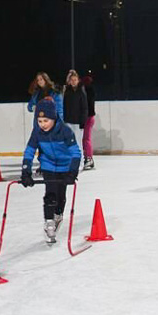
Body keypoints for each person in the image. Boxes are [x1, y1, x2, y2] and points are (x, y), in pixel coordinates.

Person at [20, 99, 82, 244]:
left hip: (64, 166)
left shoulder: (65, 131)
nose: (42, 124)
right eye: (39, 121)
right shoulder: (37, 132)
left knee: (61, 195)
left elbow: (76, 153)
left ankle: (58, 214)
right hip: (48, 165)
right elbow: (29, 151)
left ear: (53, 118)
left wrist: (72, 172)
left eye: (46, 120)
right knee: (51, 193)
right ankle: (49, 222)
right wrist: (25, 172)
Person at [62, 69, 88, 166]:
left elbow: (84, 108)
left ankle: (80, 162)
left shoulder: (81, 92)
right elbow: (64, 107)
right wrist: (64, 120)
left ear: (78, 80)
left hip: (78, 122)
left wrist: (83, 121)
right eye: (71, 80)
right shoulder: (67, 92)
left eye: (75, 80)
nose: (73, 82)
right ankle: (70, 161)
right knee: (69, 142)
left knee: (78, 142)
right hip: (68, 121)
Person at [81, 74, 96, 170]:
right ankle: (88, 157)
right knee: (85, 139)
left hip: (88, 117)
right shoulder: (89, 90)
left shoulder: (87, 91)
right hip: (88, 116)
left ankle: (89, 158)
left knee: (86, 139)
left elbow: (88, 106)